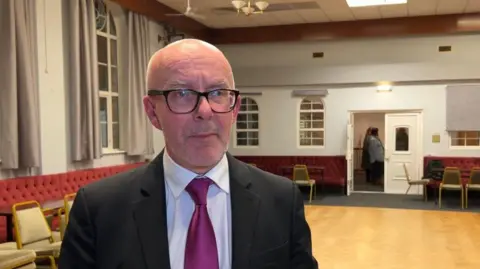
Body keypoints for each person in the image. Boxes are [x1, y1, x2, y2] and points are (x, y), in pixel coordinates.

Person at [58, 39, 318, 269]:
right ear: (152, 112)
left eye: (217, 93)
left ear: (235, 108)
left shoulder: (281, 200)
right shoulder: (99, 210)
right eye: (182, 93)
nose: (204, 110)